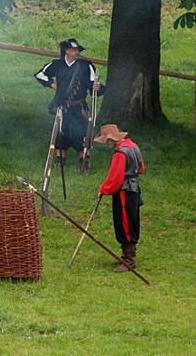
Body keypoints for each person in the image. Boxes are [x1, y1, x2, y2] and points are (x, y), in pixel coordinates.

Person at [34, 38, 104, 172]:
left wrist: (96, 86)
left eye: (77, 50)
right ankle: (60, 162)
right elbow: (40, 74)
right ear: (66, 51)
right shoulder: (57, 64)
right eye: (74, 49)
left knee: (82, 134)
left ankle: (84, 163)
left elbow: (92, 83)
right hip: (62, 104)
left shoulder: (85, 65)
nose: (77, 52)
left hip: (79, 106)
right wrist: (52, 84)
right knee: (61, 133)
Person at [94, 124, 145, 272]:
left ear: (111, 139)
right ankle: (126, 256)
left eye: (106, 141)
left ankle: (129, 260)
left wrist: (104, 189)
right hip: (133, 189)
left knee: (125, 224)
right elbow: (141, 168)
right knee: (130, 220)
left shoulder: (120, 153)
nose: (106, 144)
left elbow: (115, 179)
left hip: (124, 192)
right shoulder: (133, 146)